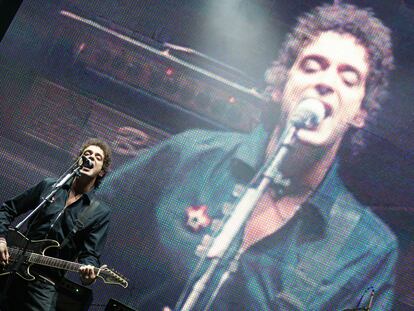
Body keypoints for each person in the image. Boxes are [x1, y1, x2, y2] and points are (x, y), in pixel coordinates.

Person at [101, 3, 398, 310]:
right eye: (312, 66)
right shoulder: (191, 155)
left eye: (348, 78)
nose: (326, 82)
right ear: (280, 88)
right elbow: (72, 229)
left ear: (360, 113)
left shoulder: (367, 248)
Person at [0, 138, 112, 311]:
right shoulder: (50, 186)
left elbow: (89, 254)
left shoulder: (99, 212)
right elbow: (8, 209)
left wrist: (90, 274)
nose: (90, 157)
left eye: (97, 157)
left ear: (102, 172)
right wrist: (1, 239)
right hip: (8, 266)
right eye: (87, 154)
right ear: (79, 161)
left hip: (43, 282)